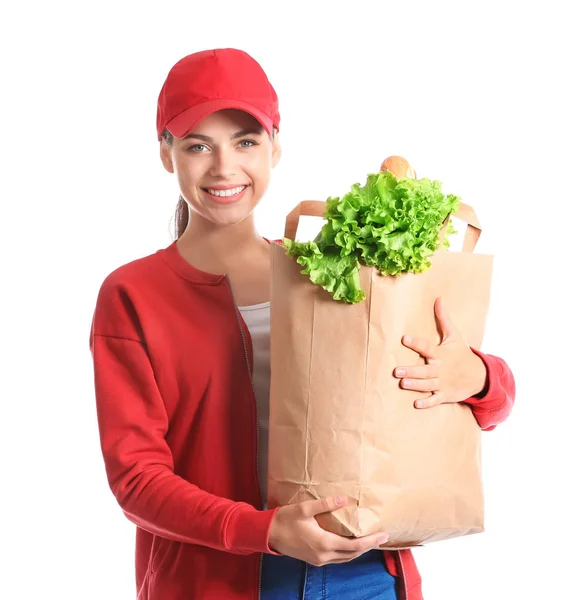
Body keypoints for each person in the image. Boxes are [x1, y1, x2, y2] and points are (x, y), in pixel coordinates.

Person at [89, 48, 516, 600]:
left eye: (246, 142)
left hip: (366, 572)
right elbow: (136, 481)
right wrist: (263, 531)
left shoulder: (329, 271)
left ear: (275, 148)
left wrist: (479, 377)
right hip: (219, 580)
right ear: (167, 155)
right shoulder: (133, 295)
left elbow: (477, 401)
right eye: (198, 145)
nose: (224, 167)